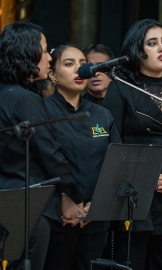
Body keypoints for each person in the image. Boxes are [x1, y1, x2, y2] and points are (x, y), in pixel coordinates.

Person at [102, 18, 162, 270]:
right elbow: (113, 144)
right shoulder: (121, 88)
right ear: (137, 49)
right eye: (153, 43)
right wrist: (144, 177)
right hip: (136, 194)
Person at [0, 22, 85, 270]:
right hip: (29, 206)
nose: (49, 58)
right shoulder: (26, 100)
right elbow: (50, 154)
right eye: (46, 50)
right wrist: (75, 195)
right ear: (27, 52)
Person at [43, 44, 121, 270]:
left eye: (83, 64)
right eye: (69, 64)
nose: (80, 70)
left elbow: (116, 163)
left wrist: (96, 206)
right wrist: (64, 201)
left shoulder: (102, 114)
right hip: (57, 220)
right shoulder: (42, 111)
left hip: (95, 217)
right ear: (52, 74)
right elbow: (39, 164)